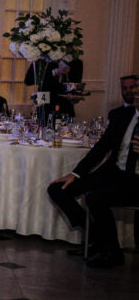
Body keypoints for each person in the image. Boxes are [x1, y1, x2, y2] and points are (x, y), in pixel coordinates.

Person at [46, 97, 139, 268]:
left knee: (95, 197)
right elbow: (101, 147)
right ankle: (96, 238)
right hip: (113, 173)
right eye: (132, 88)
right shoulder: (122, 115)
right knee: (57, 190)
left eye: (135, 87)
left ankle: (113, 253)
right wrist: (75, 174)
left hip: (136, 181)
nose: (134, 92)